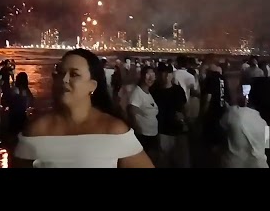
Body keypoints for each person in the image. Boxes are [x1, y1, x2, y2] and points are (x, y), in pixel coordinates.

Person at [14, 48, 153, 168]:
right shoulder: (36, 131)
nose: (64, 80)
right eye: (60, 73)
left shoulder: (113, 130)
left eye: (74, 74)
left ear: (92, 85)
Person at [219, 82, 269, 168]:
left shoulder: (232, 113)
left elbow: (222, 127)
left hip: (235, 162)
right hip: (259, 163)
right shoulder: (261, 120)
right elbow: (266, 141)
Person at [152, 63, 189, 168]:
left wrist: (185, 120)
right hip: (162, 131)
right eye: (163, 73)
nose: (166, 76)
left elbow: (184, 108)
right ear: (158, 74)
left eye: (168, 73)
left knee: (181, 162)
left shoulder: (178, 90)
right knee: (163, 162)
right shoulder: (154, 90)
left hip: (178, 131)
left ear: (172, 75)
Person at [127, 65, 159, 158]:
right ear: (142, 76)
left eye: (153, 75)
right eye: (148, 75)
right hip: (144, 136)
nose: (150, 78)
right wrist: (137, 128)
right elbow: (131, 110)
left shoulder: (148, 93)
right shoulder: (138, 93)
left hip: (151, 134)